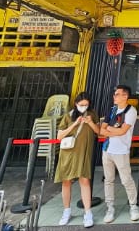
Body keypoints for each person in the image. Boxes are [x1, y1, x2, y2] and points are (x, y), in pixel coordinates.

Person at [55, 92, 100, 228]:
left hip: (84, 151)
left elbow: (98, 131)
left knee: (84, 179)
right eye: (81, 105)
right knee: (66, 181)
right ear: (76, 104)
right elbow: (59, 136)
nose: (83, 107)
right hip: (68, 152)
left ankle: (88, 213)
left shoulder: (92, 114)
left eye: (86, 105)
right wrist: (74, 125)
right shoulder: (68, 116)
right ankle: (66, 211)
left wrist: (90, 122)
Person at [100, 85, 139, 223]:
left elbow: (122, 131)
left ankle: (133, 206)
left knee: (126, 180)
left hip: (121, 151)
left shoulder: (131, 111)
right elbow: (102, 129)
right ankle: (110, 207)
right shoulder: (112, 110)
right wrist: (112, 130)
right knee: (108, 180)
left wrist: (109, 130)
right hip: (107, 150)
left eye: (117, 94)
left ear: (125, 96)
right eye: (114, 94)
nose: (114, 96)